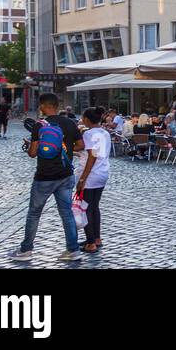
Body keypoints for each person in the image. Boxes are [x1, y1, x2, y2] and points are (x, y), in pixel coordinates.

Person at [10, 92, 83, 262]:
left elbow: (33, 153)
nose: (40, 108)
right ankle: (73, 250)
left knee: (34, 213)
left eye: (40, 105)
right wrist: (66, 149)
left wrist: (32, 145)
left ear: (44, 105)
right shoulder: (70, 123)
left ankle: (25, 251)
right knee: (66, 213)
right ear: (57, 106)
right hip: (66, 175)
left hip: (44, 177)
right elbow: (81, 145)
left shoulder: (40, 125)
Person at [74, 107, 110, 253]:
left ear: (87, 119)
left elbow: (92, 155)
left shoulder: (89, 133)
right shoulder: (105, 133)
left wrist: (83, 178)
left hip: (91, 174)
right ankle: (96, 238)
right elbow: (95, 153)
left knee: (86, 208)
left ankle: (91, 243)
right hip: (103, 172)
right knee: (94, 207)